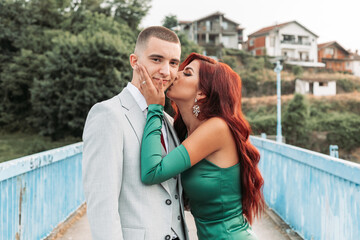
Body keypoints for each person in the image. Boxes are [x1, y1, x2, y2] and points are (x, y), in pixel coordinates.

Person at [137, 52, 265, 239]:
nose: (175, 74)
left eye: (187, 73)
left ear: (202, 92)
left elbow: (152, 172)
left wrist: (155, 107)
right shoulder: (187, 132)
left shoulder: (217, 128)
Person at [82, 26, 189, 240]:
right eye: (156, 59)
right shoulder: (108, 114)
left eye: (173, 63)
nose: (166, 71)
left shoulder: (168, 121)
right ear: (134, 61)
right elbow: (102, 205)